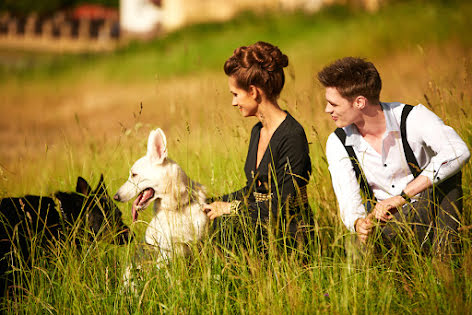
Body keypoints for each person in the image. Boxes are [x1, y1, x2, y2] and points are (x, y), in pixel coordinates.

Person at [319, 57, 470, 255]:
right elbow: (348, 200)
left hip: (429, 211)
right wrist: (359, 224)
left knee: (448, 177)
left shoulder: (412, 117)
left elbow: (459, 151)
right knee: (355, 252)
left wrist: (401, 197)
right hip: (387, 226)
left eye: (334, 104)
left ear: (359, 102)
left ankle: (445, 261)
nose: (327, 110)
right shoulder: (338, 141)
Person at [203, 41, 312, 247]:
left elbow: (283, 205)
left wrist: (230, 209)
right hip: (258, 230)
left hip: (287, 237)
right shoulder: (257, 131)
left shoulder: (292, 136)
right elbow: (252, 192)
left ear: (253, 91)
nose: (233, 103)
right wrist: (208, 201)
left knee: (224, 227)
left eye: (236, 95)